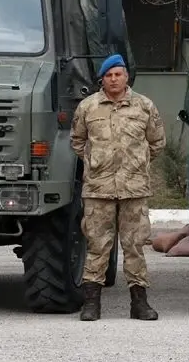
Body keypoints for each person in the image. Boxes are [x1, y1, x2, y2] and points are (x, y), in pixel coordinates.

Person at [70, 54, 166, 321]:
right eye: (109, 75)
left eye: (118, 74)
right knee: (97, 245)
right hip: (98, 190)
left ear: (126, 77)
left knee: (134, 246)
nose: (114, 79)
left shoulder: (144, 107)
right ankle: (91, 304)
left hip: (134, 189)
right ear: (102, 78)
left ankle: (140, 304)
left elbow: (157, 143)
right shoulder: (88, 107)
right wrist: (97, 164)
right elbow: (77, 142)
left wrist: (135, 164)